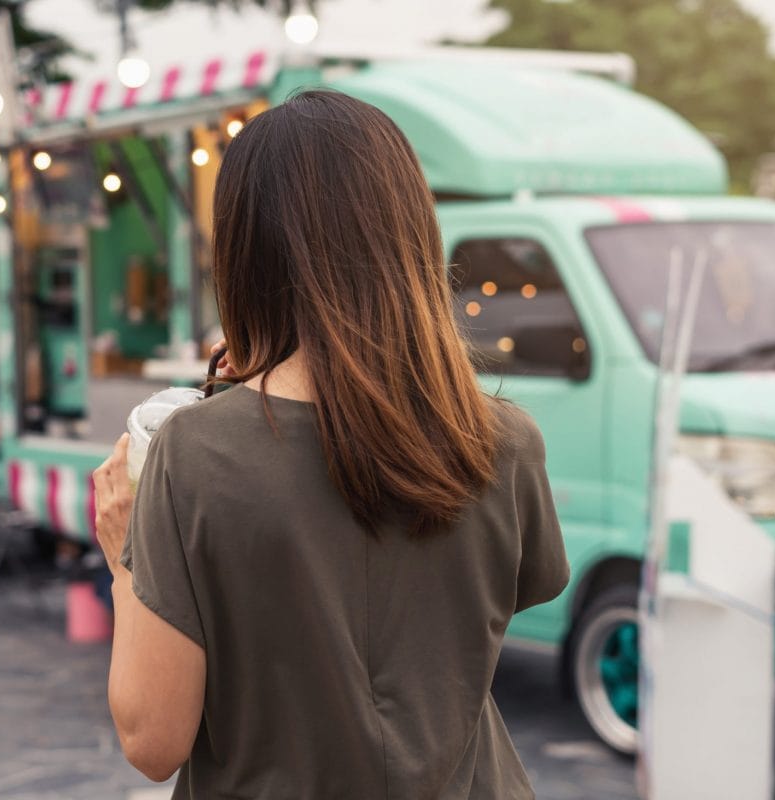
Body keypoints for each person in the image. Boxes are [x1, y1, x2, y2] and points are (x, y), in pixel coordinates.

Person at [91, 91, 570, 798]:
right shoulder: (505, 442)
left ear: (245, 252)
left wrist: (126, 555)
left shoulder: (193, 453)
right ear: (411, 233)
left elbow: (152, 740)